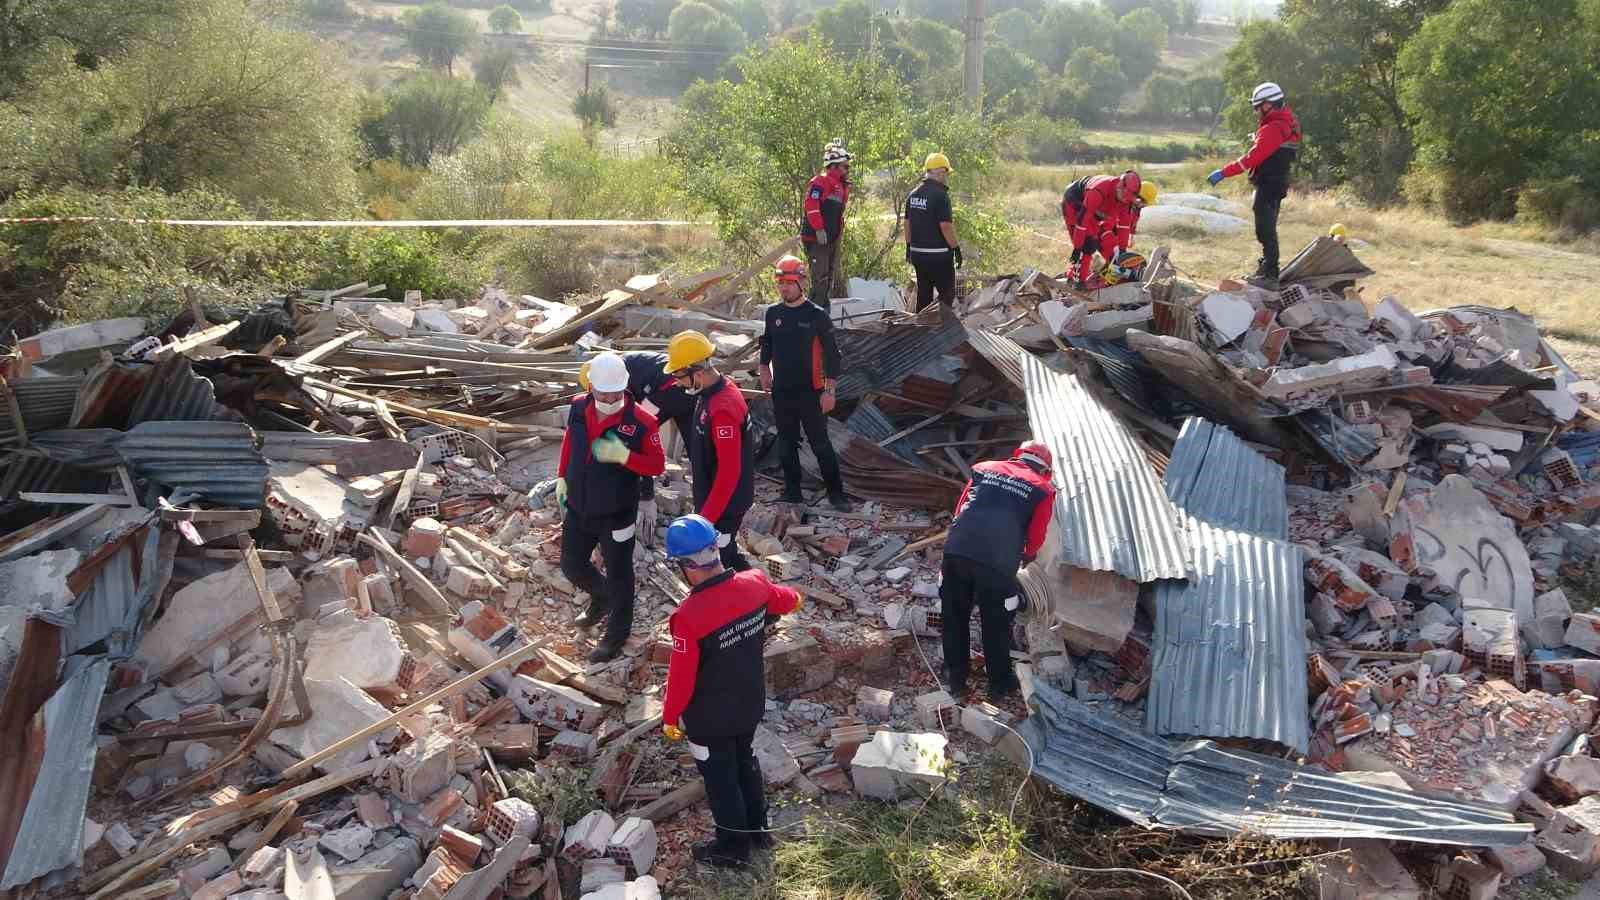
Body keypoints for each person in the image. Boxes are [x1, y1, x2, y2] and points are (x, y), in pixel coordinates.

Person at [660, 514, 802, 867]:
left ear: (687, 566)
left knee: (721, 780)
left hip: (709, 719)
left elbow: (681, 678)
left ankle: (733, 849)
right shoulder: (754, 583)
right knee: (745, 762)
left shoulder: (688, 617)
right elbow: (791, 600)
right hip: (749, 703)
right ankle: (759, 832)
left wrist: (670, 718)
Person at [555, 352, 666, 662]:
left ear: (624, 388)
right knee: (572, 565)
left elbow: (657, 465)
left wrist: (625, 457)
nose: (606, 398)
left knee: (620, 574)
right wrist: (562, 477)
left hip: (617, 512)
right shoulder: (578, 406)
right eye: (601, 392)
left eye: (613, 393)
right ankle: (601, 597)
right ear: (591, 387)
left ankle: (616, 635)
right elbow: (568, 442)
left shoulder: (642, 421)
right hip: (579, 504)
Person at [940, 441, 1056, 699]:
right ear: (1046, 468)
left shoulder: (985, 469)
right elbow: (1036, 536)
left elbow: (961, 509)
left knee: (954, 614)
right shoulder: (1043, 490)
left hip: (957, 551)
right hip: (996, 563)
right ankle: (999, 684)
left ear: (1018, 456)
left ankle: (956, 678)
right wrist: (1027, 556)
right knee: (996, 622)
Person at [759, 255, 849, 511]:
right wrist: (764, 367)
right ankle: (792, 492)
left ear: (801, 282)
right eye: (780, 282)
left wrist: (829, 390)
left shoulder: (817, 315)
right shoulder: (773, 314)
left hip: (812, 392)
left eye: (789, 281)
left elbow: (833, 355)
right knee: (786, 443)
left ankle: (837, 494)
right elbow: (767, 343)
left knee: (820, 443)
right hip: (782, 391)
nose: (784, 287)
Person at [581, 351, 695, 546]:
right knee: (695, 447)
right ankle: (704, 502)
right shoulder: (619, 367)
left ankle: (645, 498)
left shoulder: (615, 379)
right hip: (683, 386)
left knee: (637, 437)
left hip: (669, 388)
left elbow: (632, 420)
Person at [665, 330, 755, 572]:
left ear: (698, 372)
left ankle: (757, 601)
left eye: (680, 375)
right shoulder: (713, 391)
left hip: (727, 502)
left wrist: (706, 518)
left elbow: (729, 471)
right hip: (718, 496)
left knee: (724, 557)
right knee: (727, 552)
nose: (678, 382)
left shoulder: (722, 408)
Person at [1208, 81, 1302, 288]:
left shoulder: (1274, 128)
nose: (1255, 111)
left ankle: (1269, 274)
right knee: (1268, 227)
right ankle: (1267, 268)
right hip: (1278, 181)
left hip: (1269, 183)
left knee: (1265, 229)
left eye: (1257, 106)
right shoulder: (1287, 121)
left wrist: (1223, 172)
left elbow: (1251, 158)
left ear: (1269, 105)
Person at [1060, 170, 1142, 288]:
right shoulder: (1098, 191)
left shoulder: (1126, 200)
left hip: (1096, 211)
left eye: (1127, 199)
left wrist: (1122, 252)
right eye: (1123, 198)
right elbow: (1082, 222)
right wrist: (1077, 248)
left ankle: (1103, 281)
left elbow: (1124, 226)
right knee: (1087, 245)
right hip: (1075, 204)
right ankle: (1077, 283)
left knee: (1114, 253)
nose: (1124, 201)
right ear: (1119, 187)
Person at [903, 152, 962, 312]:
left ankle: (922, 329)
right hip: (939, 255)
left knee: (924, 294)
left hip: (918, 254)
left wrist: (908, 247)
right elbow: (945, 226)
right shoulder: (941, 196)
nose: (946, 177)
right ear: (940, 172)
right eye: (946, 173)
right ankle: (941, 331)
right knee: (947, 294)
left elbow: (907, 224)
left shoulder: (913, 195)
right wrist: (956, 248)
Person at [799, 140, 852, 310]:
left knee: (828, 279)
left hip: (831, 238)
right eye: (845, 167)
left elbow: (837, 214)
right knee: (819, 279)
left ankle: (824, 313)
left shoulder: (841, 186)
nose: (847, 170)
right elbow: (811, 206)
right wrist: (819, 229)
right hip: (817, 239)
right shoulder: (820, 182)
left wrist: (837, 235)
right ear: (834, 166)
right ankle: (813, 316)